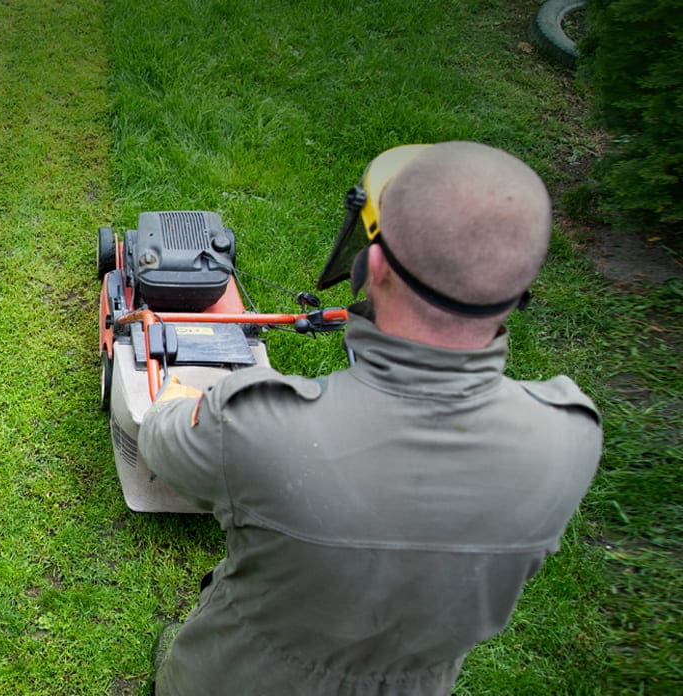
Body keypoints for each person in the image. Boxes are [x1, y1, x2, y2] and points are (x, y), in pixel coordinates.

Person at [138, 141, 602, 695]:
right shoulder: (571, 435)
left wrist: (192, 392)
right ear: (518, 287)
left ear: (374, 264)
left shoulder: (257, 425)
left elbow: (161, 443)